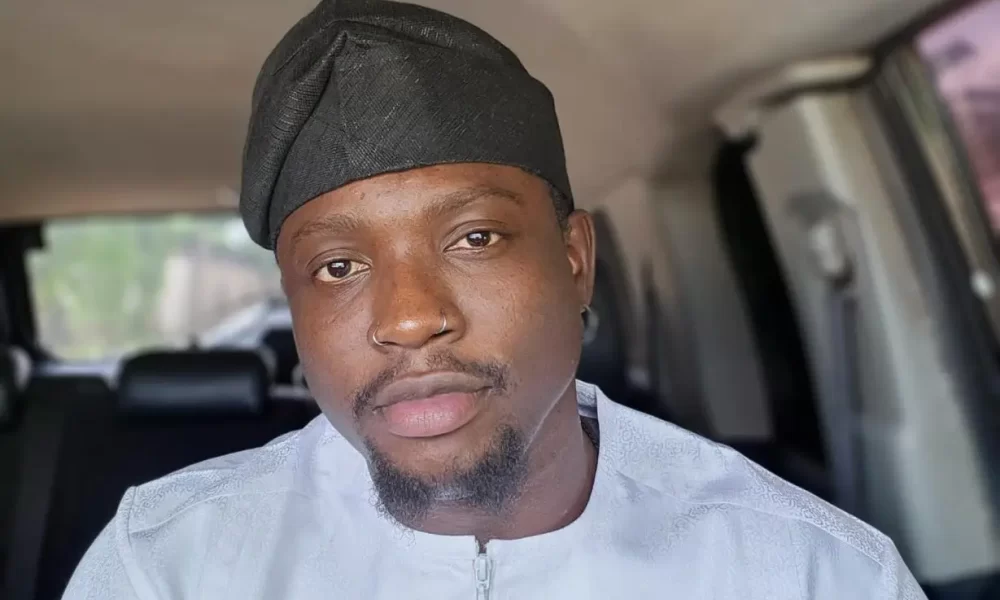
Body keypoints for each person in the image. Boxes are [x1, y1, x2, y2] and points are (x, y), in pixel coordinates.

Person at [64, 0, 926, 598]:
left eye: (474, 238)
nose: (409, 318)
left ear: (576, 260)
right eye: (337, 267)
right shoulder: (168, 565)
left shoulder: (811, 571)